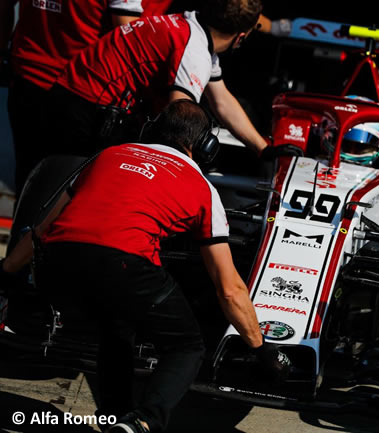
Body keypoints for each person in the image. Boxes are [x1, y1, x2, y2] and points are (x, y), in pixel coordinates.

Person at [0, 100, 291, 433]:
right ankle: (143, 422)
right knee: (186, 346)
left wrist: (7, 272)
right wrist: (263, 350)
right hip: (124, 265)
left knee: (116, 327)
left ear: (150, 129)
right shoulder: (203, 189)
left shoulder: (107, 156)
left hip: (58, 264)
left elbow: (40, 230)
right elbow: (229, 289)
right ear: (205, 147)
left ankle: (116, 419)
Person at [43, 0, 287, 166]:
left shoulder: (189, 27)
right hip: (83, 108)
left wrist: (264, 149)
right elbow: (180, 120)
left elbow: (221, 100)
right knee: (68, 199)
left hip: (72, 97)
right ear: (241, 37)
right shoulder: (194, 51)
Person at [0, 0, 143, 197]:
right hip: (80, 92)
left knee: (28, 185)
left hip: (28, 77)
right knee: (68, 193)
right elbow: (130, 37)